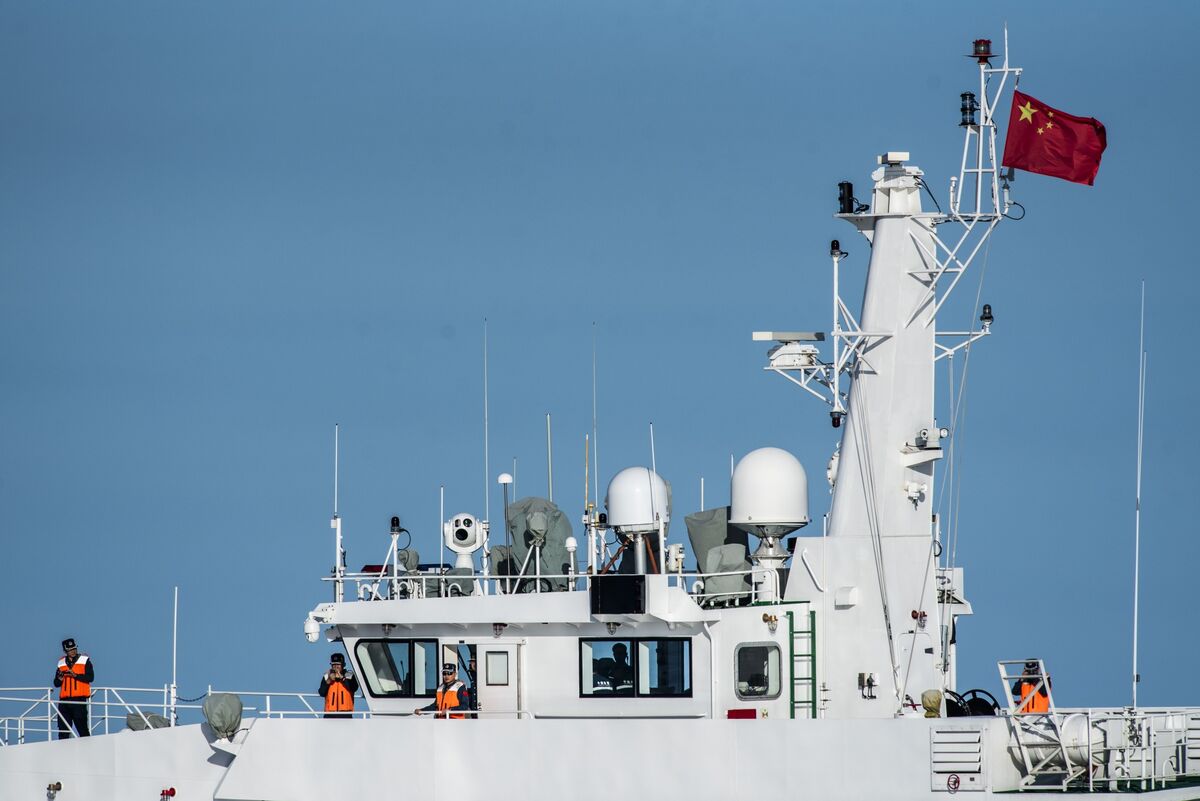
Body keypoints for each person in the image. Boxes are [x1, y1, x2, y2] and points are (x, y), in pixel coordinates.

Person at [54, 638, 93, 739]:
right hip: (64, 702)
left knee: (82, 727)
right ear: (65, 651)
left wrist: (75, 675)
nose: (73, 651)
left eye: (74, 648)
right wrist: (60, 679)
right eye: (70, 650)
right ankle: (63, 751)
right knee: (63, 729)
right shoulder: (61, 663)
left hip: (79, 700)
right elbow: (56, 683)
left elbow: (90, 677)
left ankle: (88, 748)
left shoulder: (85, 660)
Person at [318, 653, 358, 719]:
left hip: (346, 714)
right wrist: (329, 680)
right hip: (329, 715)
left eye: (338, 664)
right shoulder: (326, 676)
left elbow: (354, 688)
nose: (336, 666)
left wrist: (343, 678)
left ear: (343, 665)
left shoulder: (349, 674)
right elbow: (321, 693)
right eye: (333, 664)